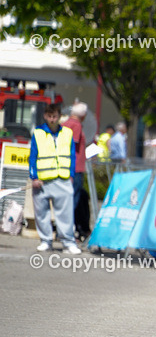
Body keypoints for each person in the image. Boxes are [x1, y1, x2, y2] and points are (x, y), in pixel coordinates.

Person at [29, 104, 81, 254]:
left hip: (62, 178)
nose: (52, 119)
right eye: (49, 116)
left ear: (59, 117)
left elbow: (72, 155)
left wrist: (71, 174)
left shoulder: (67, 133)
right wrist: (34, 177)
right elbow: (32, 156)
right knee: (41, 213)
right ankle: (46, 241)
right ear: (45, 116)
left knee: (65, 214)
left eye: (55, 116)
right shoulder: (38, 133)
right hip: (42, 180)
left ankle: (68, 242)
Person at [63, 102, 91, 239]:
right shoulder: (76, 125)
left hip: (65, 167)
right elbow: (71, 146)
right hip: (75, 168)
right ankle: (68, 232)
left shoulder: (65, 123)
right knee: (73, 200)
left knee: (67, 201)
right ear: (83, 115)